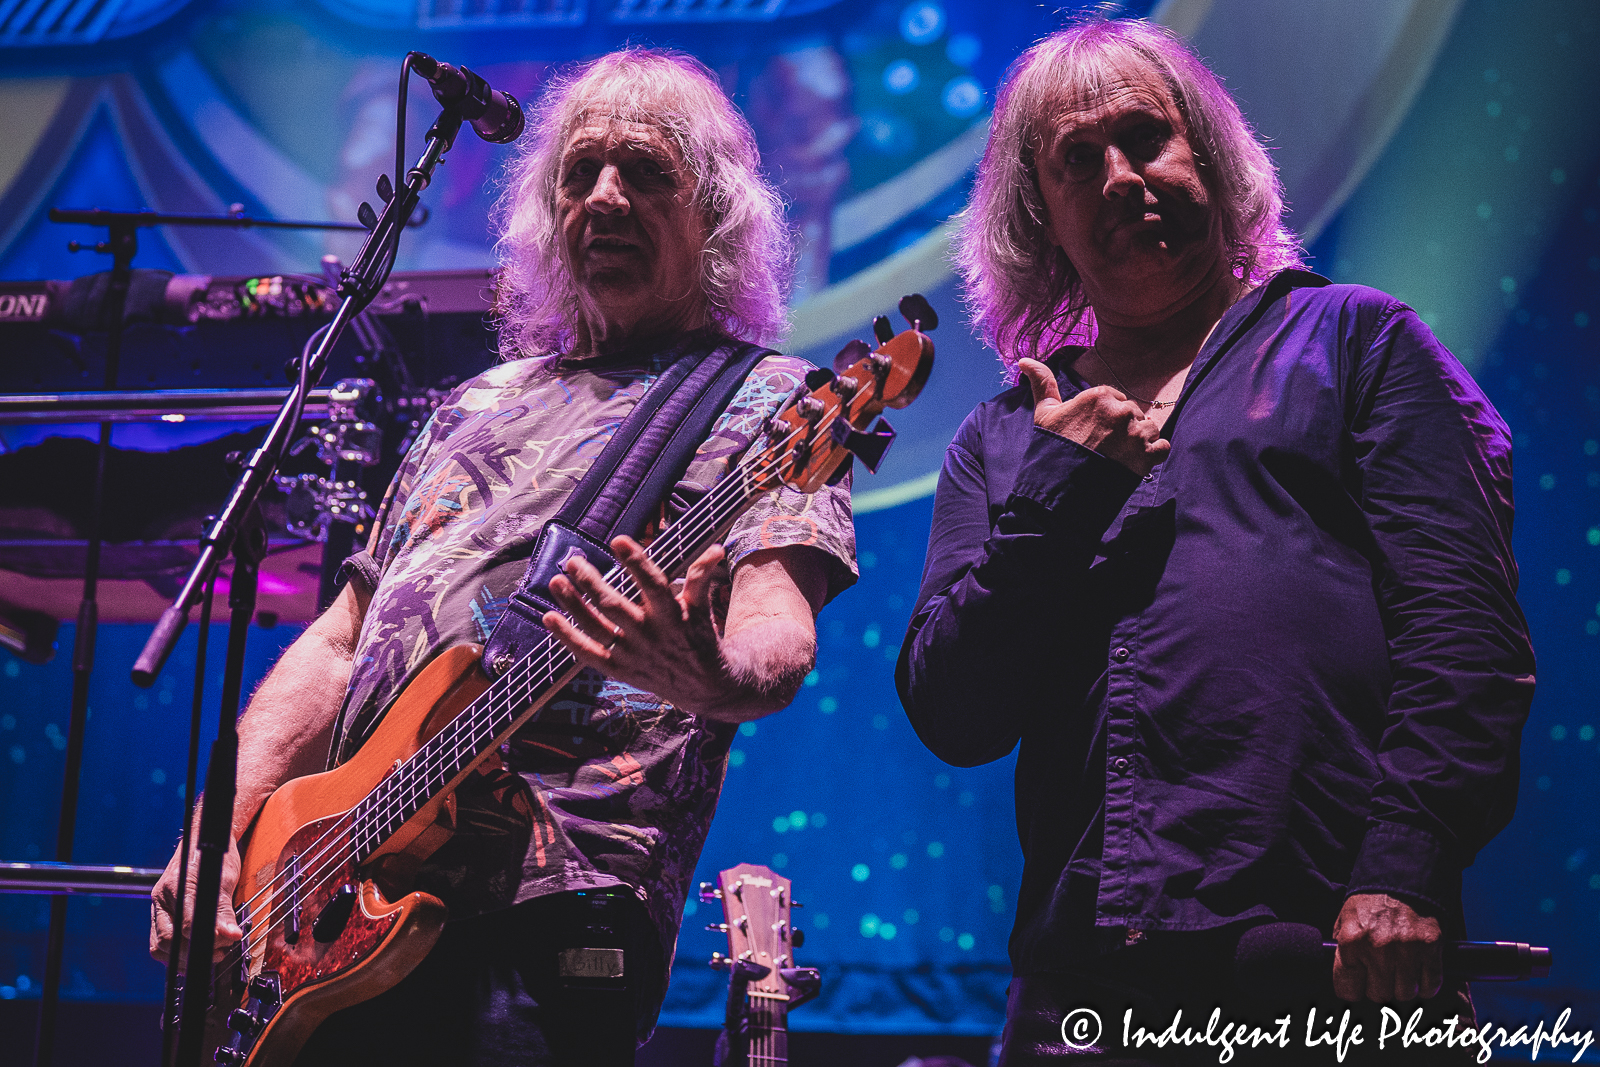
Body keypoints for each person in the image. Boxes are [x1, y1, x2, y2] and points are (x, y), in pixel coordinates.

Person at [149, 49, 856, 1065]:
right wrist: (221, 836)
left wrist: (711, 672)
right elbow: (343, 642)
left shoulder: (774, 404)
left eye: (645, 171)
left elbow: (774, 624)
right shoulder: (471, 404)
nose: (604, 196)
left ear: (716, 215)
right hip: (337, 908)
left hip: (543, 916)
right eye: (580, 172)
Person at [896, 18, 1532, 1065]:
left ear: (1212, 158)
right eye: (1075, 162)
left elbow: (1464, 634)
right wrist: (1063, 487)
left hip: (1334, 958)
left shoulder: (1356, 341)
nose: (1118, 177)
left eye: (1146, 139)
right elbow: (955, 712)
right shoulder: (1005, 436)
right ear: (1039, 217)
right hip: (1084, 991)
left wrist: (1405, 861)